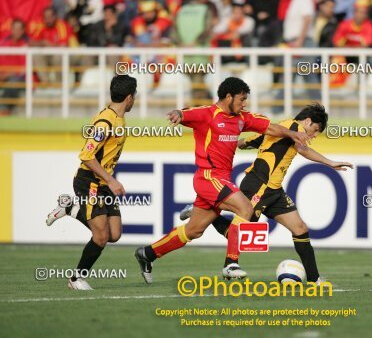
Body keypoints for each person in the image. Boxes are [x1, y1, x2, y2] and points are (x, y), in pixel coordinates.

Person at [134, 77, 311, 283]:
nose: (244, 103)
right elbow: (185, 113)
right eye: (242, 99)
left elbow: (270, 128)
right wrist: (178, 114)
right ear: (229, 97)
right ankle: (231, 264)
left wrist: (291, 133)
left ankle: (147, 254)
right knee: (245, 208)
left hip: (220, 180)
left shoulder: (241, 118)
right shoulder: (207, 114)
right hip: (208, 176)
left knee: (193, 231)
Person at [180, 103, 353, 284]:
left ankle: (314, 279)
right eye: (316, 130)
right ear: (308, 121)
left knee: (300, 228)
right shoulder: (294, 127)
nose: (315, 135)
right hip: (259, 186)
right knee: (241, 234)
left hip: (274, 190)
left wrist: (234, 143)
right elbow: (303, 149)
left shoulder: (279, 128)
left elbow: (248, 141)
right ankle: (207, 215)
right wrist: (330, 163)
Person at [45, 75, 137, 290]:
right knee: (101, 236)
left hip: (102, 183)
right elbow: (86, 155)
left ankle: (70, 209)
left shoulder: (117, 117)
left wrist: (108, 180)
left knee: (114, 234)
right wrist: (110, 179)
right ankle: (76, 279)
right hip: (90, 182)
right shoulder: (105, 121)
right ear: (130, 98)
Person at [0, 19, 28, 116]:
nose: (17, 31)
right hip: (3, 76)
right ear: (11, 29)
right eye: (15, 29)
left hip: (19, 78)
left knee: (13, 82)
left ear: (23, 31)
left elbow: (24, 70)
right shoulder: (3, 44)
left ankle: (4, 110)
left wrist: (8, 74)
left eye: (19, 29)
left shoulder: (26, 45)